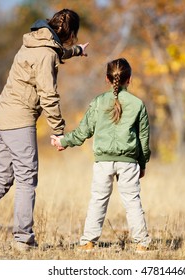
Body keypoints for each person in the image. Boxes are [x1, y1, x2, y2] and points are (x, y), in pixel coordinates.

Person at [0, 9, 89, 251]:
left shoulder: (35, 42)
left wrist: (77, 51)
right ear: (71, 32)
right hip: (18, 122)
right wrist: (59, 130)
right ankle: (23, 239)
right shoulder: (46, 55)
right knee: (26, 179)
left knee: (2, 177)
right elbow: (48, 95)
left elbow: (56, 51)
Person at [52, 58, 151, 253]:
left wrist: (63, 141)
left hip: (103, 162)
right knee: (132, 201)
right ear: (129, 80)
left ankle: (88, 241)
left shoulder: (98, 102)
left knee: (98, 200)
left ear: (107, 79)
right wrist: (143, 163)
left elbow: (83, 132)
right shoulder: (138, 104)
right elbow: (144, 139)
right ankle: (142, 244)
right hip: (129, 162)